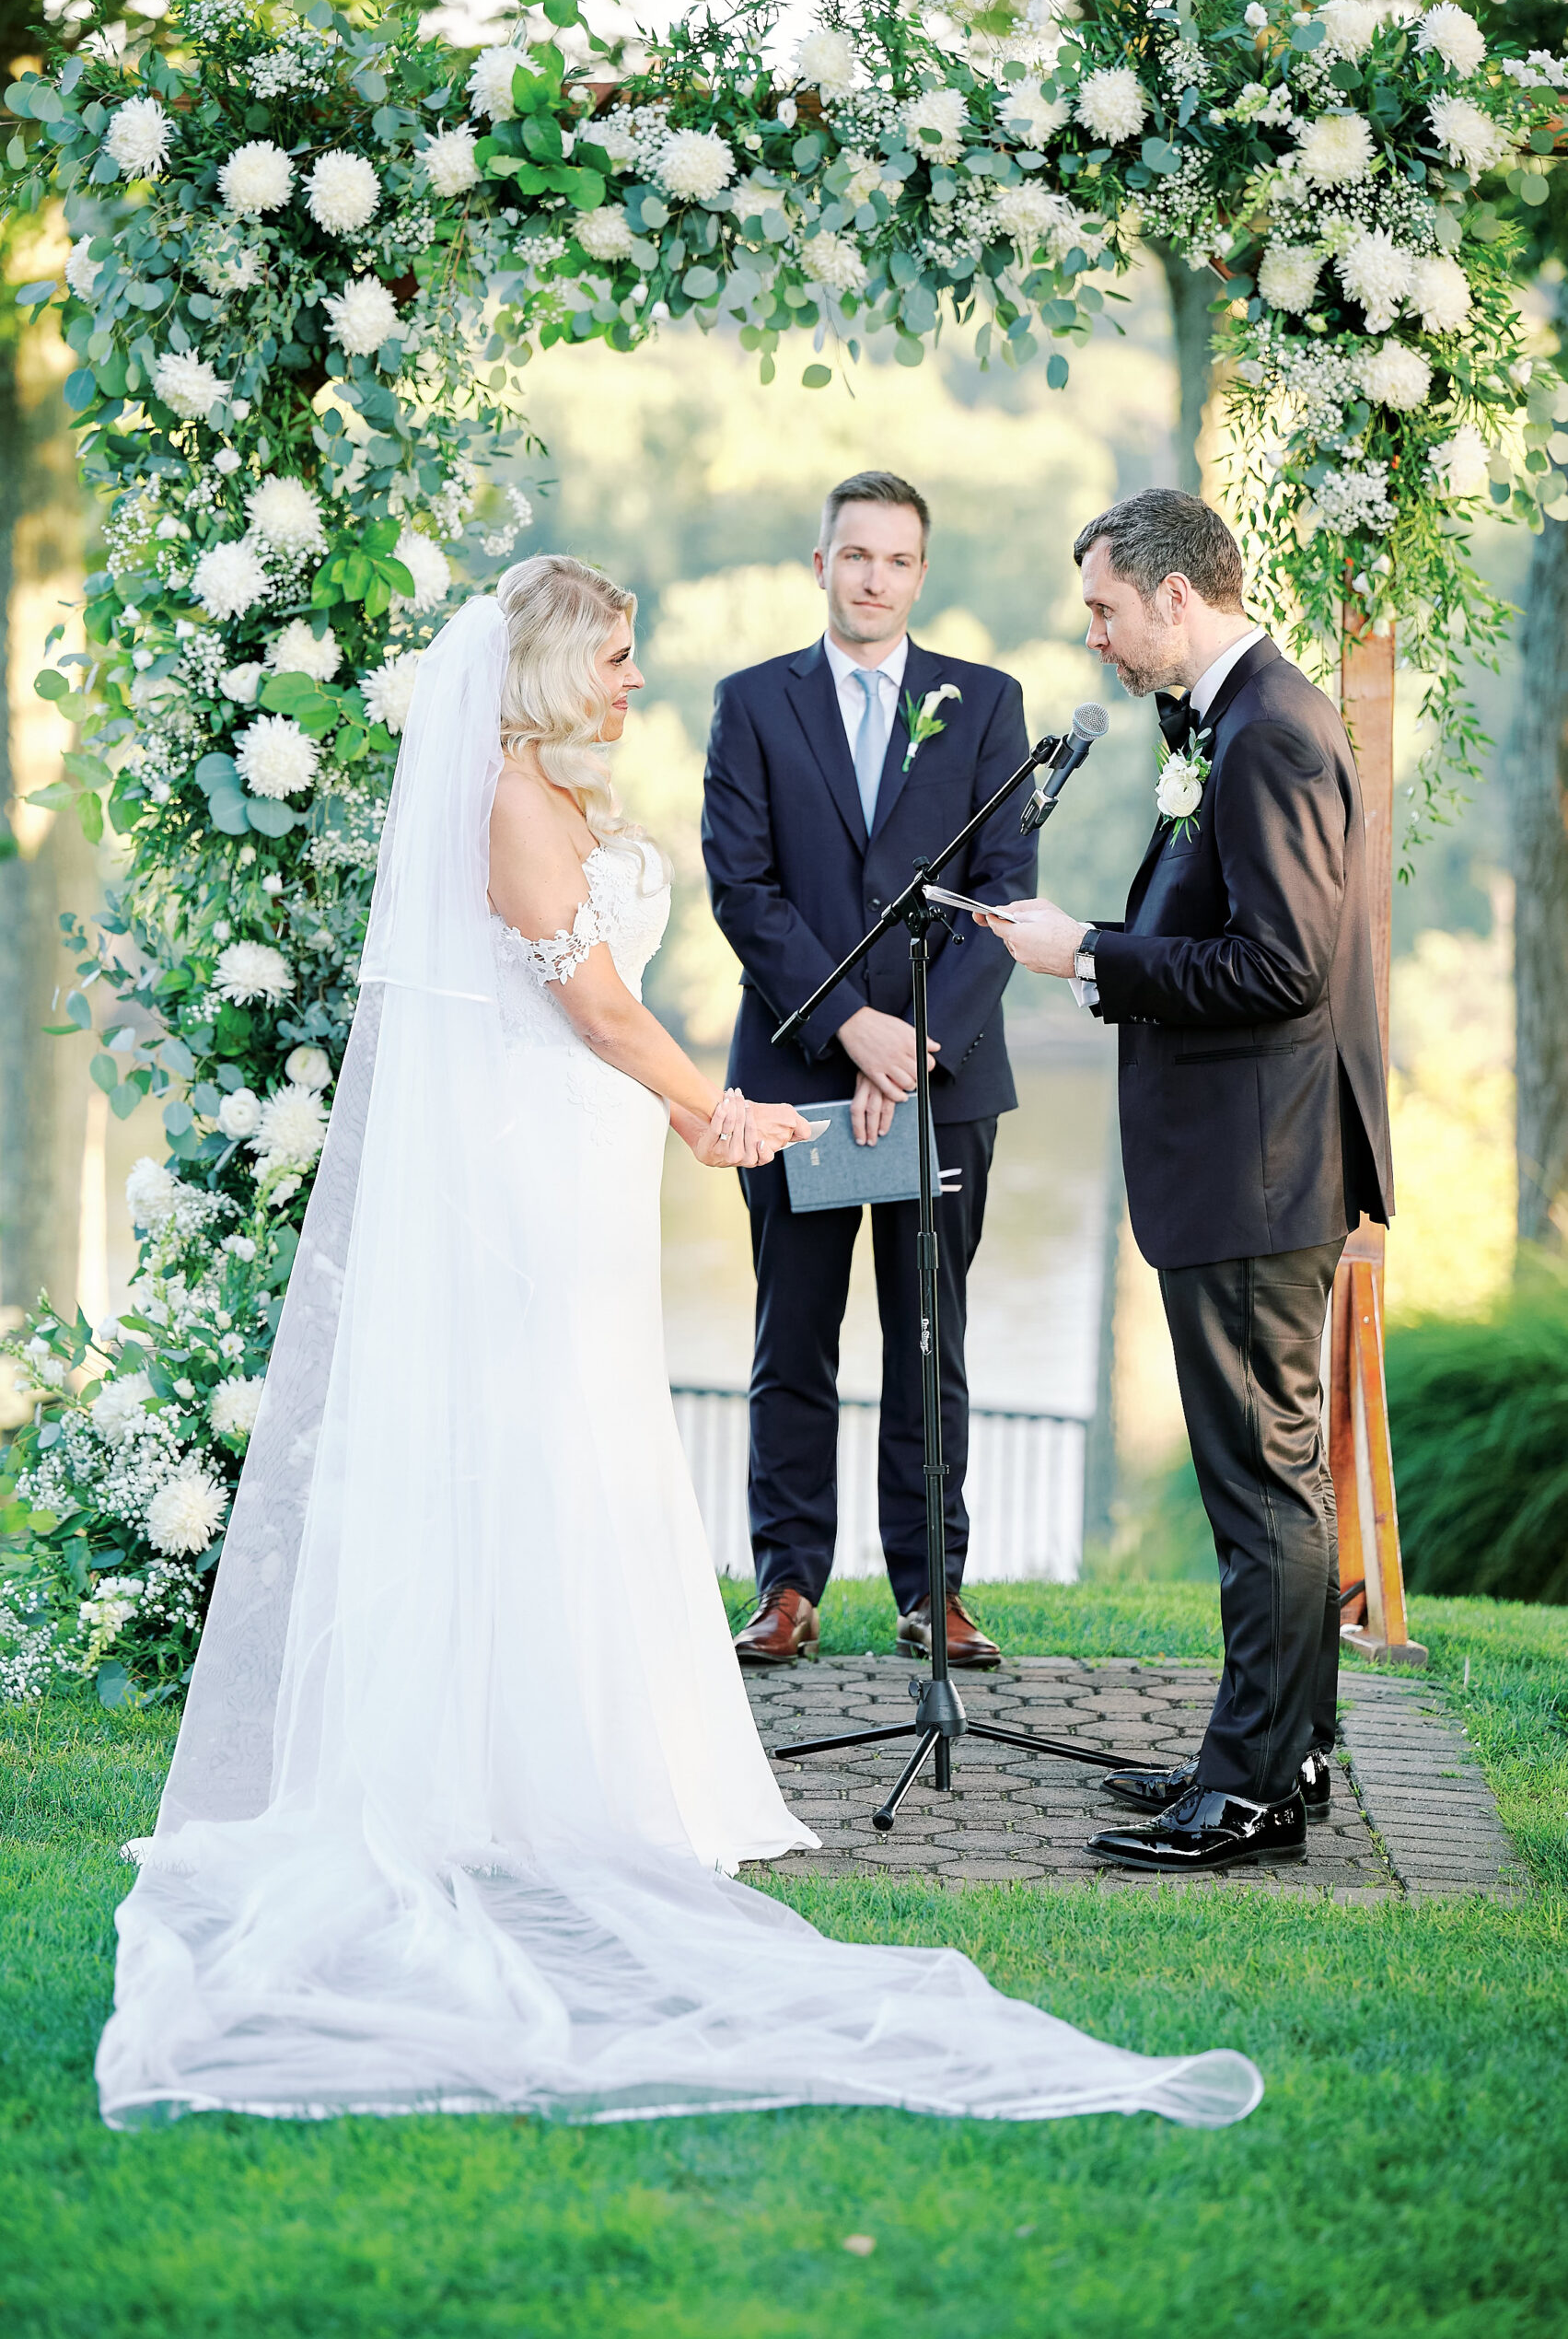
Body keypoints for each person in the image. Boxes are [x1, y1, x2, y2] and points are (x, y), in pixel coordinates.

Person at [94, 554, 1260, 2131]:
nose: (636, 679)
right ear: (551, 666)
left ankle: (609, 1753)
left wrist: (704, 1112)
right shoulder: (510, 798)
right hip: (534, 1155)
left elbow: (613, 999)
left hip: (587, 1156)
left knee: (591, 1437)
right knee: (537, 1435)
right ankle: (510, 1771)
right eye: (618, 657)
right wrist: (714, 1106)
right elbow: (594, 1008)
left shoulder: (560, 790)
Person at [980, 490, 1392, 1876]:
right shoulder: (1237, 718)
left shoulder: (1268, 731)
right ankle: (1285, 1750)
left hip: (1256, 1165)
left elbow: (1281, 966)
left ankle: (1252, 1797)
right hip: (1251, 1159)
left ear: (1175, 595)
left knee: (1261, 1484)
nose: (1092, 635)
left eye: (1104, 607)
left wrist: (1085, 954)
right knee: (1275, 1474)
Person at [703, 472, 1037, 1671]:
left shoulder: (986, 704)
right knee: (793, 1336)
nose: (873, 578)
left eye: (895, 560)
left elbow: (1002, 894)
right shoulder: (752, 705)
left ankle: (932, 1592)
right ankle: (788, 1587)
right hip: (797, 1077)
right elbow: (744, 891)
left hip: (944, 1083)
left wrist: (918, 1043)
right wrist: (853, 1028)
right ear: (820, 562)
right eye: (854, 556)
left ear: (920, 574)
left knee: (928, 1341)